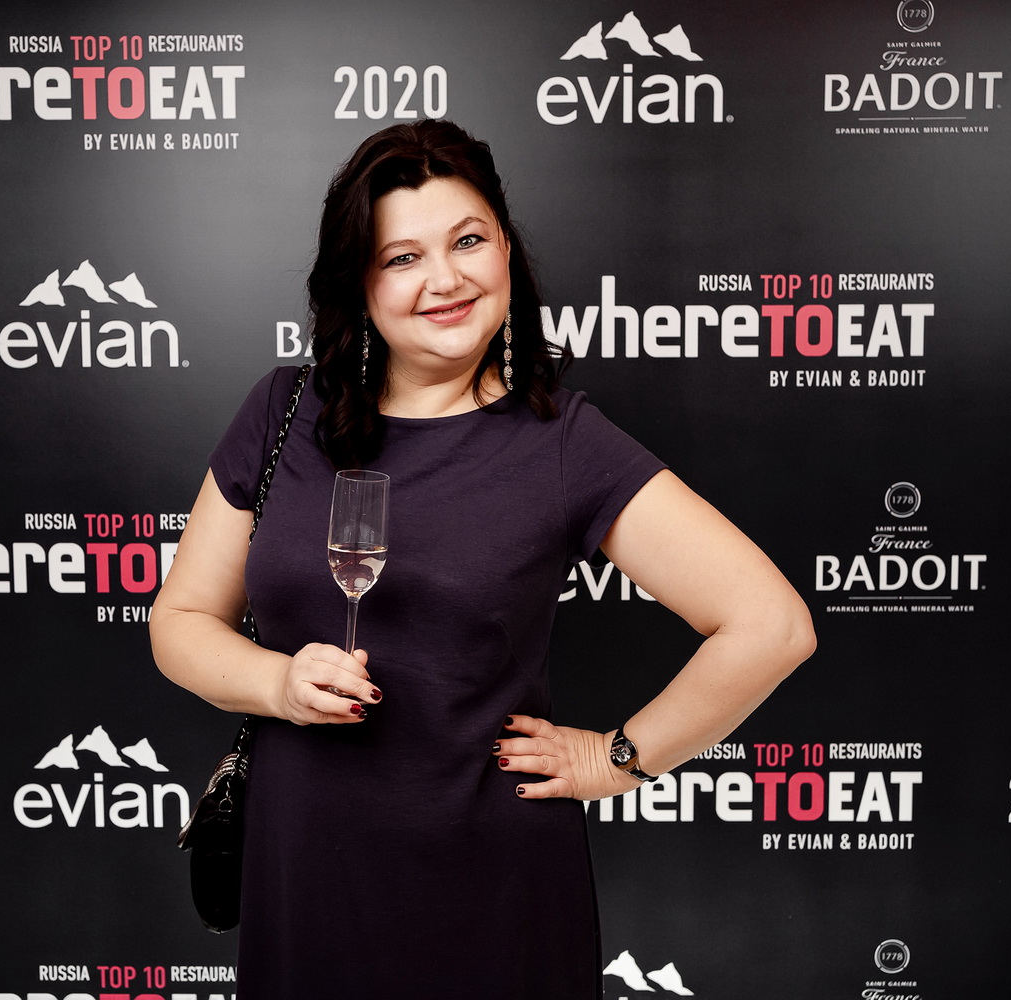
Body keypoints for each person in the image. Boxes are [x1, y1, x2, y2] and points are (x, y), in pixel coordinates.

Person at [151, 119, 815, 998]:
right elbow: (180, 621)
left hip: (493, 890)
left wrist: (617, 759)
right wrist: (277, 683)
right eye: (403, 258)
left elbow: (772, 625)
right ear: (359, 282)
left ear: (506, 249)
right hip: (304, 875)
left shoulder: (561, 440)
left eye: (468, 241)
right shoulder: (283, 412)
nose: (446, 279)